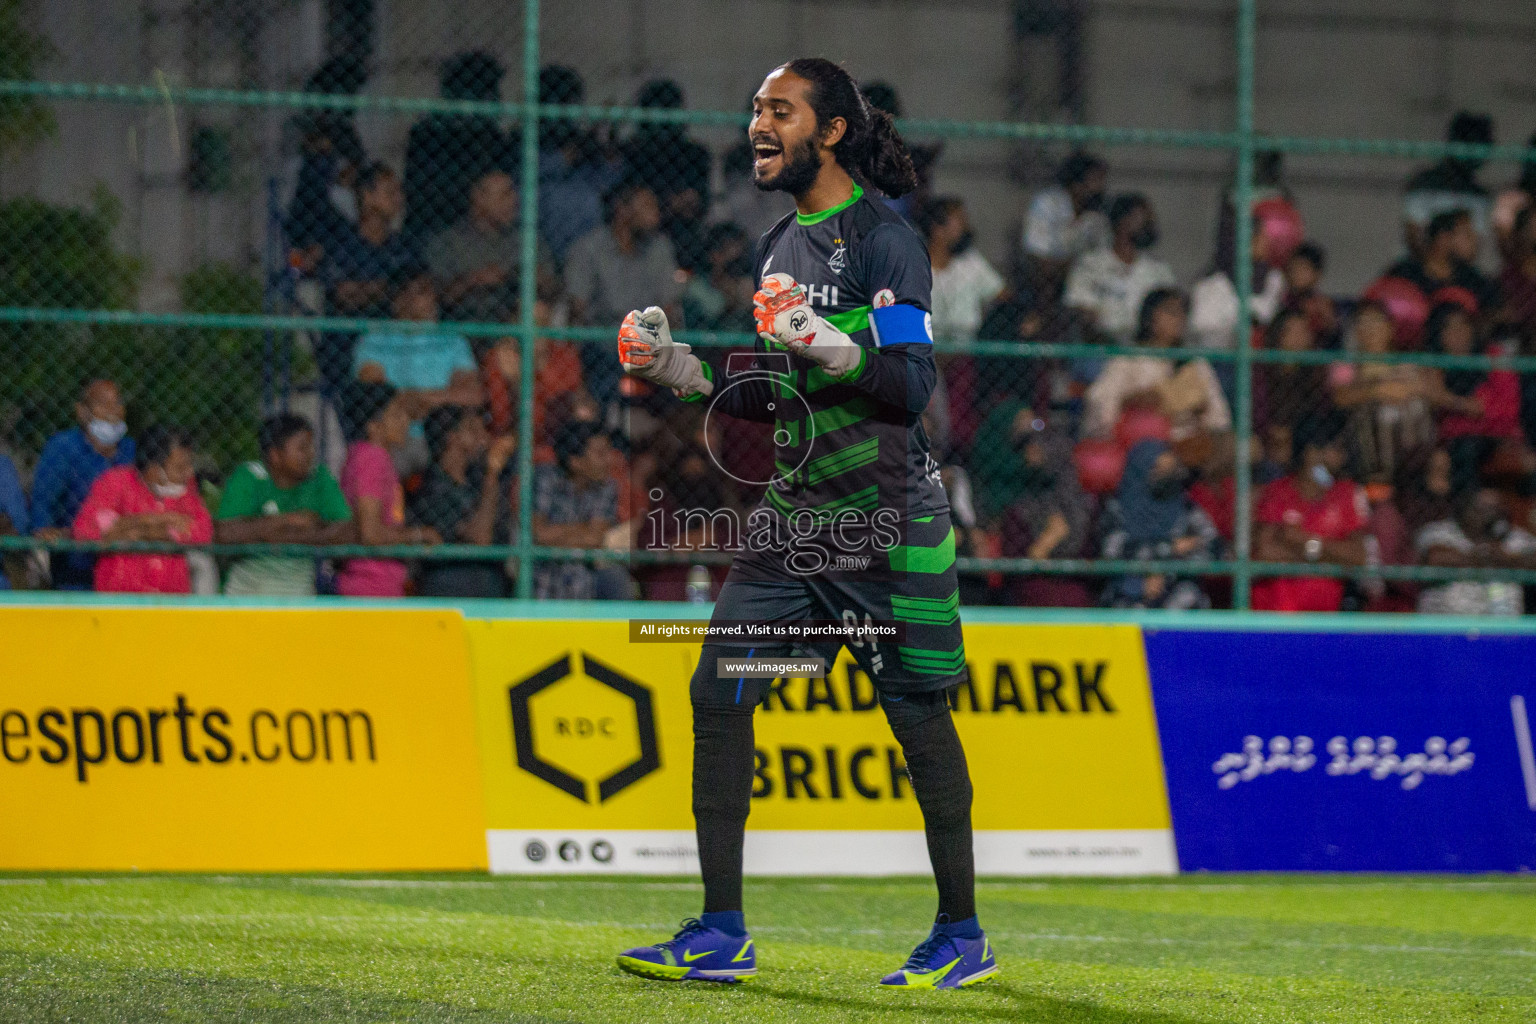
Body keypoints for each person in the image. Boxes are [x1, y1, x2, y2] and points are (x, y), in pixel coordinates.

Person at [613, 57, 995, 990]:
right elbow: (778, 392)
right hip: (796, 530)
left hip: (883, 527)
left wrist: (823, 341)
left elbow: (910, 388)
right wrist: (682, 372)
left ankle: (961, 934)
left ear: (829, 131)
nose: (757, 124)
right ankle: (720, 931)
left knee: (914, 717)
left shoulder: (887, 242)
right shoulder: (779, 243)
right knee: (722, 690)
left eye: (779, 110)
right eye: (753, 109)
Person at [564, 177, 684, 407]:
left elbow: (670, 307)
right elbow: (576, 309)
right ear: (622, 210)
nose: (656, 213)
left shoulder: (659, 246)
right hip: (604, 343)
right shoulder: (589, 248)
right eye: (647, 206)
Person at [213, 414, 355, 596]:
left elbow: (347, 532)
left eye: (311, 447)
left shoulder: (320, 479)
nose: (310, 454)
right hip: (246, 593)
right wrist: (288, 521)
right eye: (302, 448)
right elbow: (224, 533)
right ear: (275, 455)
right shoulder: (250, 476)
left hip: (299, 593)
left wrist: (266, 533)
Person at [70, 424, 212, 594]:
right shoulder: (115, 482)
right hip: (119, 599)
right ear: (154, 470)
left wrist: (128, 529)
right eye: (180, 467)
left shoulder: (187, 489)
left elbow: (203, 531)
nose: (189, 473)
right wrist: (155, 521)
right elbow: (84, 531)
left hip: (172, 600)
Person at [322, 163, 423, 398]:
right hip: (350, 341)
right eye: (390, 192)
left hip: (400, 338)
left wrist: (381, 290)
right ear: (367, 197)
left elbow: (420, 288)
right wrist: (392, 289)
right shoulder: (343, 245)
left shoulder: (403, 245)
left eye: (399, 192)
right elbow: (344, 295)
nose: (399, 199)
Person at [1251, 413, 1371, 612]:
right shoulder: (1278, 492)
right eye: (1336, 449)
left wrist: (1305, 542)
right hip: (1274, 615)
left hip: (1325, 619)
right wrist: (1330, 558)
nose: (1343, 457)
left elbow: (1357, 557)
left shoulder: (1346, 493)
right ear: (1312, 453)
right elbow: (1264, 553)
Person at [29, 377, 136, 590]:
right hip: (74, 557)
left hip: (124, 553)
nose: (111, 410)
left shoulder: (131, 450)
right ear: (81, 411)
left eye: (117, 403)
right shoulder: (63, 448)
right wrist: (45, 529)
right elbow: (43, 500)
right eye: (101, 404)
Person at [1083, 288, 1230, 440]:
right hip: (1144, 439)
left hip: (1190, 439)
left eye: (1182, 313)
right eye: (1170, 312)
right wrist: (1132, 401)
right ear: (1149, 316)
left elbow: (1218, 413)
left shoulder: (1194, 360)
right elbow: (1100, 401)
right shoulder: (1129, 358)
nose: (1179, 318)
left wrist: (1200, 409)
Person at [336, 382, 440, 597]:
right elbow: (370, 533)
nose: (405, 422)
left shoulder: (368, 456)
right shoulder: (372, 458)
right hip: (370, 586)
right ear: (373, 426)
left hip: (380, 585)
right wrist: (419, 535)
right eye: (396, 415)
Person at [403, 51, 516, 246]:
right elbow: (424, 193)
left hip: (480, 231)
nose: (496, 98)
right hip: (433, 229)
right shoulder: (429, 134)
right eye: (487, 90)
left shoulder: (492, 138)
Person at [410, 406, 517, 598]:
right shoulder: (431, 488)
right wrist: (492, 472)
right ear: (452, 437)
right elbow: (480, 538)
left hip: (491, 591)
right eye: (473, 430)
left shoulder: (475, 481)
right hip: (452, 593)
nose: (483, 438)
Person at [424, 168, 558, 322]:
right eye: (505, 195)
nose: (514, 200)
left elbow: (554, 290)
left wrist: (535, 277)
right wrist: (474, 280)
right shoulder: (448, 241)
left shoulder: (527, 240)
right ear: (478, 197)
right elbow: (439, 296)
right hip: (463, 321)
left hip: (512, 323)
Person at [1099, 440, 1218, 610]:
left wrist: (1170, 571)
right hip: (1126, 593)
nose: (1166, 475)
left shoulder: (1185, 508)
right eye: (1159, 469)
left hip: (1177, 592)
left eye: (1170, 468)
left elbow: (1214, 546)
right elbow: (1112, 551)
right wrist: (1168, 548)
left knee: (1189, 597)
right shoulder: (1116, 509)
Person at [994, 410, 1094, 608]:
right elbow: (1013, 568)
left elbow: (1092, 562)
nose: (1030, 453)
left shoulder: (1085, 505)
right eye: (1027, 448)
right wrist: (1047, 541)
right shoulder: (1021, 505)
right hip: (1033, 595)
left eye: (1037, 446)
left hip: (1075, 594)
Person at [1329, 301, 1435, 484]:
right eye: (1363, 323)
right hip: (1366, 436)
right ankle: (1379, 474)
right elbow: (1341, 398)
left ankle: (1415, 468)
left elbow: (1426, 392)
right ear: (1355, 332)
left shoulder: (1406, 360)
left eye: (1376, 322)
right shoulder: (1346, 364)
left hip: (1408, 431)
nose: (1371, 329)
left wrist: (1403, 389)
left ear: (1390, 327)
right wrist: (1377, 390)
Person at [620, 79, 713, 272]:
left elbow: (696, 202)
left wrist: (668, 203)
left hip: (683, 229)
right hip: (643, 230)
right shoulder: (633, 152)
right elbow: (635, 201)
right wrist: (667, 203)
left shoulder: (695, 154)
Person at [1063, 192, 1176, 343]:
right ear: (1123, 221)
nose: (1149, 225)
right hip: (1100, 349)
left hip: (1144, 350)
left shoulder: (1159, 270)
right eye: (1144, 218)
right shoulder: (1090, 265)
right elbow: (1079, 309)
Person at [532, 420, 625, 599]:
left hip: (584, 571)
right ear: (575, 462)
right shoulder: (546, 478)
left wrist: (555, 535)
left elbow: (596, 538)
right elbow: (538, 534)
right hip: (544, 570)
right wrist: (583, 528)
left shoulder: (607, 487)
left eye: (608, 452)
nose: (609, 460)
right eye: (600, 453)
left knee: (612, 575)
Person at [1416, 487, 1536, 615]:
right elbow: (1435, 558)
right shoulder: (1441, 531)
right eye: (1481, 510)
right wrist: (1478, 556)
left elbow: (1532, 560)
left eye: (1495, 510)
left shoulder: (1515, 537)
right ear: (1465, 510)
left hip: (1503, 625)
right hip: (1445, 623)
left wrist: (1505, 558)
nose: (1489, 516)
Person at [1402, 111, 1494, 257]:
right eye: (1469, 145)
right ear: (1454, 143)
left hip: (1459, 275)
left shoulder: (1478, 196)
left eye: (1482, 147)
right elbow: (1414, 237)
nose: (1475, 155)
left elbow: (1472, 250)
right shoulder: (1424, 184)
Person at [919, 196, 1006, 344]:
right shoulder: (915, 266)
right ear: (938, 229)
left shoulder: (970, 261)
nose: (966, 228)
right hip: (924, 349)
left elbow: (1003, 295)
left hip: (964, 353)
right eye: (960, 220)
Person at [1022, 151, 1109, 298]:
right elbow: (1038, 259)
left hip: (1082, 286)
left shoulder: (1097, 217)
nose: (1101, 188)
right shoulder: (1047, 204)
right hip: (1040, 284)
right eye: (1095, 180)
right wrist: (1075, 266)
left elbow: (1102, 261)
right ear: (1076, 184)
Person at [1383, 208, 1494, 317]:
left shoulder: (1473, 280)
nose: (1474, 240)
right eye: (1466, 235)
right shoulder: (1404, 274)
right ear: (1443, 238)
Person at [680, 223, 757, 332]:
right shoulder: (696, 290)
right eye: (729, 251)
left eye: (741, 252)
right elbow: (699, 331)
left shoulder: (748, 285)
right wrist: (728, 305)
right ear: (714, 255)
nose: (736, 256)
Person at [1281, 241, 1339, 344]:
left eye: (1304, 268)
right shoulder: (1280, 299)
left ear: (1317, 274)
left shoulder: (1323, 307)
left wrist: (1329, 322)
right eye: (1295, 267)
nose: (1298, 273)